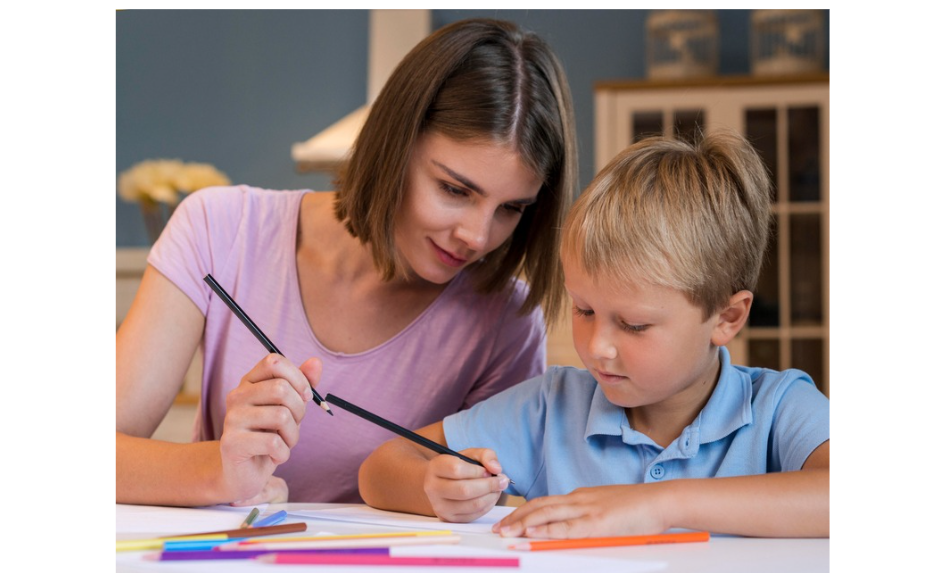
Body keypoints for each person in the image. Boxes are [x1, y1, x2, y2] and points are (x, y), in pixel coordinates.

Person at [116, 18, 578, 507]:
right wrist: (220, 472)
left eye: (511, 209)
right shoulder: (219, 229)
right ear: (395, 144)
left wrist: (461, 494)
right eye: (454, 190)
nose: (477, 236)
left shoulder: (506, 321)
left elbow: (500, 507)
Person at [358, 131, 830, 538]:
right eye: (583, 309)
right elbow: (381, 469)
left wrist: (659, 505)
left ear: (727, 317)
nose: (597, 347)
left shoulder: (778, 407)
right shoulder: (550, 408)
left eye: (634, 325)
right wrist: (436, 490)